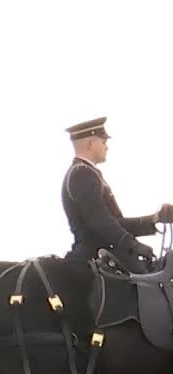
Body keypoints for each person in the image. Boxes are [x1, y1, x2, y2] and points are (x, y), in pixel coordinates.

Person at [60, 116, 173, 273]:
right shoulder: (82, 174)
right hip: (97, 256)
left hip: (108, 253)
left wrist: (155, 219)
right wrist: (132, 245)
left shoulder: (87, 173)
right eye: (104, 142)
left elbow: (113, 222)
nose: (107, 147)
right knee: (153, 290)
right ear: (91, 144)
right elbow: (99, 222)